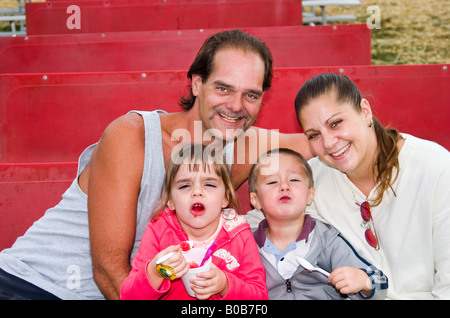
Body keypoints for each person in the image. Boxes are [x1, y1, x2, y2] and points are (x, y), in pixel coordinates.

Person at [0, 29, 312, 299]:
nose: (235, 106)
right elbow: (108, 271)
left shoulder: (243, 145)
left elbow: (328, 141)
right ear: (196, 83)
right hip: (29, 283)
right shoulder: (132, 135)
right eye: (223, 88)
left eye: (251, 95)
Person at [294, 73, 450, 299]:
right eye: (314, 135)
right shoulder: (312, 180)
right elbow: (271, 222)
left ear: (365, 111)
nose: (328, 143)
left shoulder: (435, 168)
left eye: (336, 123)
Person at [120, 144, 268, 300]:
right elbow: (128, 296)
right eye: (185, 186)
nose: (197, 191)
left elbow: (259, 297)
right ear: (170, 200)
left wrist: (225, 285)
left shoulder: (239, 234)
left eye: (209, 184)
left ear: (225, 198)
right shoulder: (159, 229)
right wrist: (155, 272)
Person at [248, 148, 387, 300]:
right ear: (255, 200)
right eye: (272, 182)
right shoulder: (245, 245)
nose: (284, 186)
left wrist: (364, 282)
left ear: (310, 195)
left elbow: (380, 283)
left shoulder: (327, 240)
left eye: (294, 180)